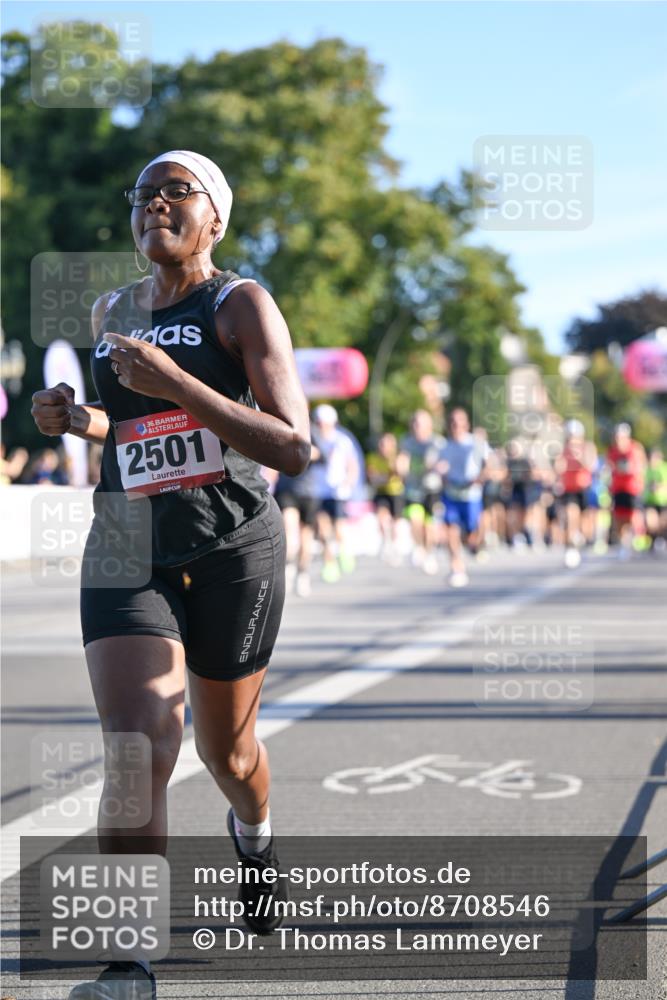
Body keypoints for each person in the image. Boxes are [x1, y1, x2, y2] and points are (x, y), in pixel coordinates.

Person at [31, 149, 311, 999]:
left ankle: (255, 838)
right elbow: (135, 432)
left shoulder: (240, 304)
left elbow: (292, 446)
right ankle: (128, 963)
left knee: (224, 751)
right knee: (135, 745)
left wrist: (179, 384)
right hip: (127, 538)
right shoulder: (112, 307)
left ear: (214, 218)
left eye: (175, 192)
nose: (155, 204)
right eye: (143, 194)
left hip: (231, 543)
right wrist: (79, 421)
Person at [437, 408, 489, 587]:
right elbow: (441, 467)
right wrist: (442, 474)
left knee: (471, 535)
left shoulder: (476, 443)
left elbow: (489, 464)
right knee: (450, 529)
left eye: (459, 422)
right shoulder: (445, 446)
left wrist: (481, 477)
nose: (455, 426)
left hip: (471, 496)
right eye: (452, 422)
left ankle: (474, 544)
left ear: (466, 424)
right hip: (452, 494)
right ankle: (456, 567)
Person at [309, 404, 360, 582]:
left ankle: (344, 550)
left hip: (337, 491)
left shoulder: (342, 440)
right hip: (317, 491)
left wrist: (349, 483)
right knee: (323, 529)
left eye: (325, 423)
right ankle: (329, 563)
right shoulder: (312, 440)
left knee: (338, 529)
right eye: (319, 422)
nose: (322, 426)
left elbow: (352, 465)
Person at [398, 409, 445, 574]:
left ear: (429, 425)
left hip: (432, 488)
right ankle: (419, 548)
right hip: (413, 489)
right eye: (415, 423)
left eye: (420, 424)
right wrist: (401, 469)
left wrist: (437, 467)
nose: (417, 427)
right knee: (414, 520)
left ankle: (429, 552)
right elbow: (402, 460)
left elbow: (444, 463)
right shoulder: (407, 442)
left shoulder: (437, 443)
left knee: (429, 525)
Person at [554, 419, 597, 568]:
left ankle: (581, 542)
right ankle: (570, 549)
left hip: (583, 488)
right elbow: (558, 467)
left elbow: (591, 466)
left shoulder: (587, 446)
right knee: (570, 515)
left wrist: (579, 456)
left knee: (584, 524)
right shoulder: (564, 448)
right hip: (569, 489)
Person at [366, 432, 408, 564]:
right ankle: (386, 541)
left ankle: (394, 546)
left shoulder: (398, 457)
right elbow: (372, 478)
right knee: (381, 517)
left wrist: (392, 469)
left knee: (395, 522)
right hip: (381, 492)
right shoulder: (373, 458)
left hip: (396, 492)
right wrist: (384, 477)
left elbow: (401, 474)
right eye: (382, 444)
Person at [607, 422, 646, 556]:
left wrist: (629, 469)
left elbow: (640, 466)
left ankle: (638, 539)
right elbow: (610, 468)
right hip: (618, 488)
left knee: (634, 514)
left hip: (632, 489)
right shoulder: (613, 451)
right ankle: (623, 544)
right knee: (619, 517)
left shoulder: (635, 448)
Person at [643, 446, 667, 551]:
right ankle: (653, 541)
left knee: (662, 523)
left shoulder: (663, 468)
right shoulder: (647, 469)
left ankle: (661, 539)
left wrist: (656, 487)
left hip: (663, 501)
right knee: (651, 522)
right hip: (650, 501)